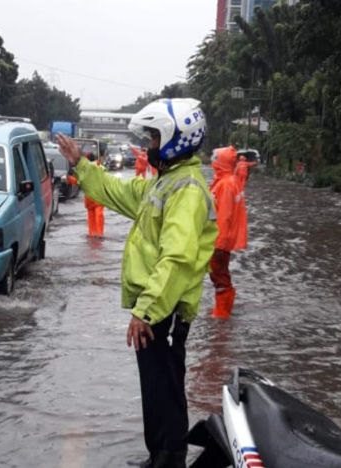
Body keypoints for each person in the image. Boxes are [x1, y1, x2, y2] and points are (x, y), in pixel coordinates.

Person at [57, 98, 217, 468]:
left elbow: (176, 260)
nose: (148, 147)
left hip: (165, 308)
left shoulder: (187, 191)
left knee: (165, 387)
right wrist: (81, 164)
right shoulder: (166, 183)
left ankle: (169, 460)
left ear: (176, 140)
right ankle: (158, 455)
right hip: (156, 307)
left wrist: (145, 311)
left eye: (154, 139)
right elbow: (117, 192)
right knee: (155, 386)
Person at [209, 146, 247, 320]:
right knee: (220, 274)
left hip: (219, 240)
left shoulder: (225, 184)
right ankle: (223, 310)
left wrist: (219, 244)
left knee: (219, 275)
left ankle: (222, 314)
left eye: (215, 158)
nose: (212, 161)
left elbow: (224, 216)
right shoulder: (227, 181)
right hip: (220, 239)